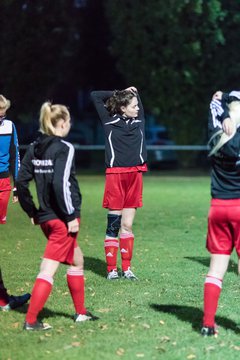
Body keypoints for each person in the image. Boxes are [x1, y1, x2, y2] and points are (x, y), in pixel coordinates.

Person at [16, 101, 98, 331]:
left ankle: (81, 313)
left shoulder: (34, 147)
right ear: (61, 123)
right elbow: (60, 183)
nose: (70, 125)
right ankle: (31, 320)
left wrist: (31, 211)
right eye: (69, 121)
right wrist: (70, 215)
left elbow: (21, 182)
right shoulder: (64, 147)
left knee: (77, 260)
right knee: (48, 269)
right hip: (62, 220)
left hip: (45, 218)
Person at [91, 87, 147, 280]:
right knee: (113, 225)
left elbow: (138, 101)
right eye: (133, 106)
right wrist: (120, 91)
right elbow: (95, 95)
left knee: (128, 225)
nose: (138, 108)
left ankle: (127, 268)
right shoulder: (109, 122)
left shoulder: (140, 121)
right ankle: (111, 270)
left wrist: (134, 93)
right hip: (115, 176)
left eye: (137, 105)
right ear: (123, 108)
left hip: (135, 176)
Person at [201, 90, 240, 336]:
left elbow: (214, 105)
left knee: (216, 269)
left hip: (218, 208)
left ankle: (207, 324)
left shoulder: (216, 135)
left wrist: (221, 103)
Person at [0, 94, 30, 311]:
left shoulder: (9, 126)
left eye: (4, 112)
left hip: (2, 183)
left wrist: (17, 184)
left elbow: (14, 155)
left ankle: (3, 300)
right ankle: (3, 300)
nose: (2, 116)